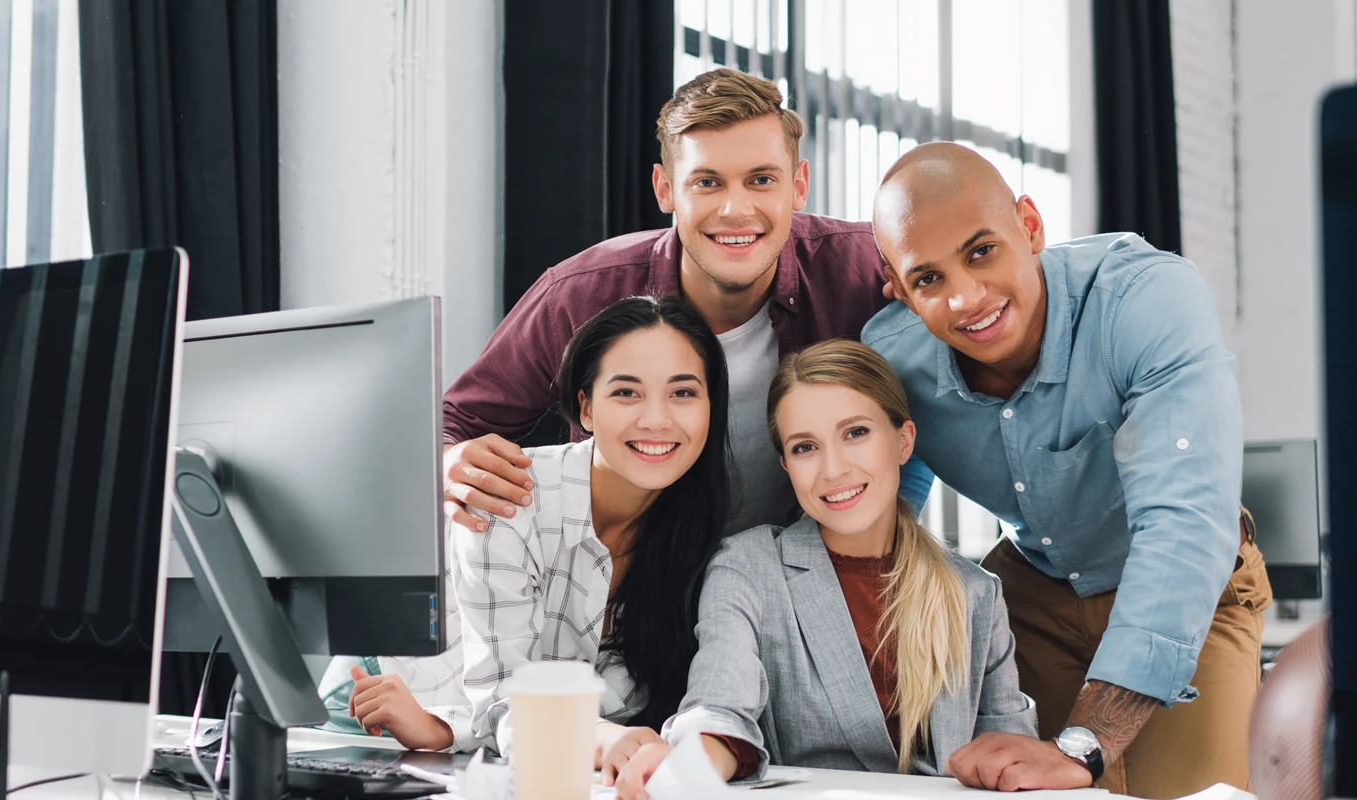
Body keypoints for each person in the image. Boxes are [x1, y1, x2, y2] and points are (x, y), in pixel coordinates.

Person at [863, 142, 1271, 797]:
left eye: (980, 251)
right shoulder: (891, 359)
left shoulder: (1145, 298)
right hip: (1031, 597)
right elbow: (882, 513)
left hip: (1195, 583)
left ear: (1029, 226)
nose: (966, 298)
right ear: (898, 288)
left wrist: (1085, 744)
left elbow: (1184, 526)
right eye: (928, 279)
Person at [605, 340, 1087, 798]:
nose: (833, 469)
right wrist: (688, 768)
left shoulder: (975, 592)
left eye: (855, 433)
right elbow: (719, 705)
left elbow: (1012, 752)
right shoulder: (748, 567)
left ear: (903, 442)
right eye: (805, 447)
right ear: (786, 466)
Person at [440, 68, 892, 539]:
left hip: (796, 580)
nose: (735, 210)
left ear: (799, 185)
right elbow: (454, 423)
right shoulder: (580, 293)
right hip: (629, 580)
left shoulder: (867, 267)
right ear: (665, 189)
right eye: (707, 183)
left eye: (761, 179)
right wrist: (452, 462)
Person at [342, 296, 731, 759]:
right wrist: (602, 739)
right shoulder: (509, 498)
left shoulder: (699, 539)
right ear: (585, 409)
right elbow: (506, 699)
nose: (656, 420)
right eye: (626, 392)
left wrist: (448, 730)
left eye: (683, 393)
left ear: (712, 406)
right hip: (378, 698)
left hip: (465, 739)